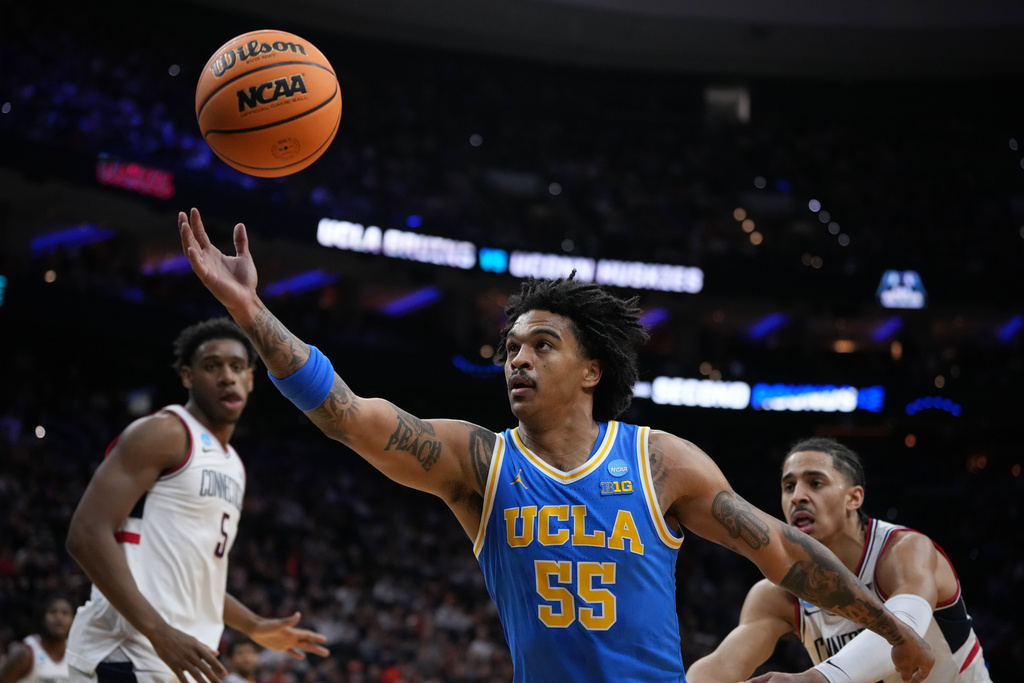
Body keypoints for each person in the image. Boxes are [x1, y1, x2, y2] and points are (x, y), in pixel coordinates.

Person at [178, 207, 934, 683]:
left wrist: (888, 625)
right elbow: (346, 414)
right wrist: (250, 311)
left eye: (542, 344)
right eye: (511, 346)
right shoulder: (479, 461)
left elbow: (782, 551)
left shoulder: (661, 460)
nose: (518, 358)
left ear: (591, 370)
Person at [64, 317, 329, 683]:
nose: (227, 377)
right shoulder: (163, 433)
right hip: (126, 653)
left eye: (237, 367)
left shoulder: (233, 464)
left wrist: (254, 625)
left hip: (178, 657)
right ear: (188, 377)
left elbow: (195, 578)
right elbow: (87, 533)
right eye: (212, 366)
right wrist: (158, 631)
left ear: (251, 380)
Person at [686, 436, 993, 683]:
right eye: (789, 487)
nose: (798, 497)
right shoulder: (775, 595)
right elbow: (721, 667)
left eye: (815, 483)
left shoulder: (903, 550)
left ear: (854, 498)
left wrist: (813, 679)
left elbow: (905, 629)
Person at [0, 595, 75, 683]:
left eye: (65, 613)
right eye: (53, 612)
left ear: (73, 620)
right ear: (43, 619)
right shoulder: (25, 653)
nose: (59, 617)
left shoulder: (75, 654)